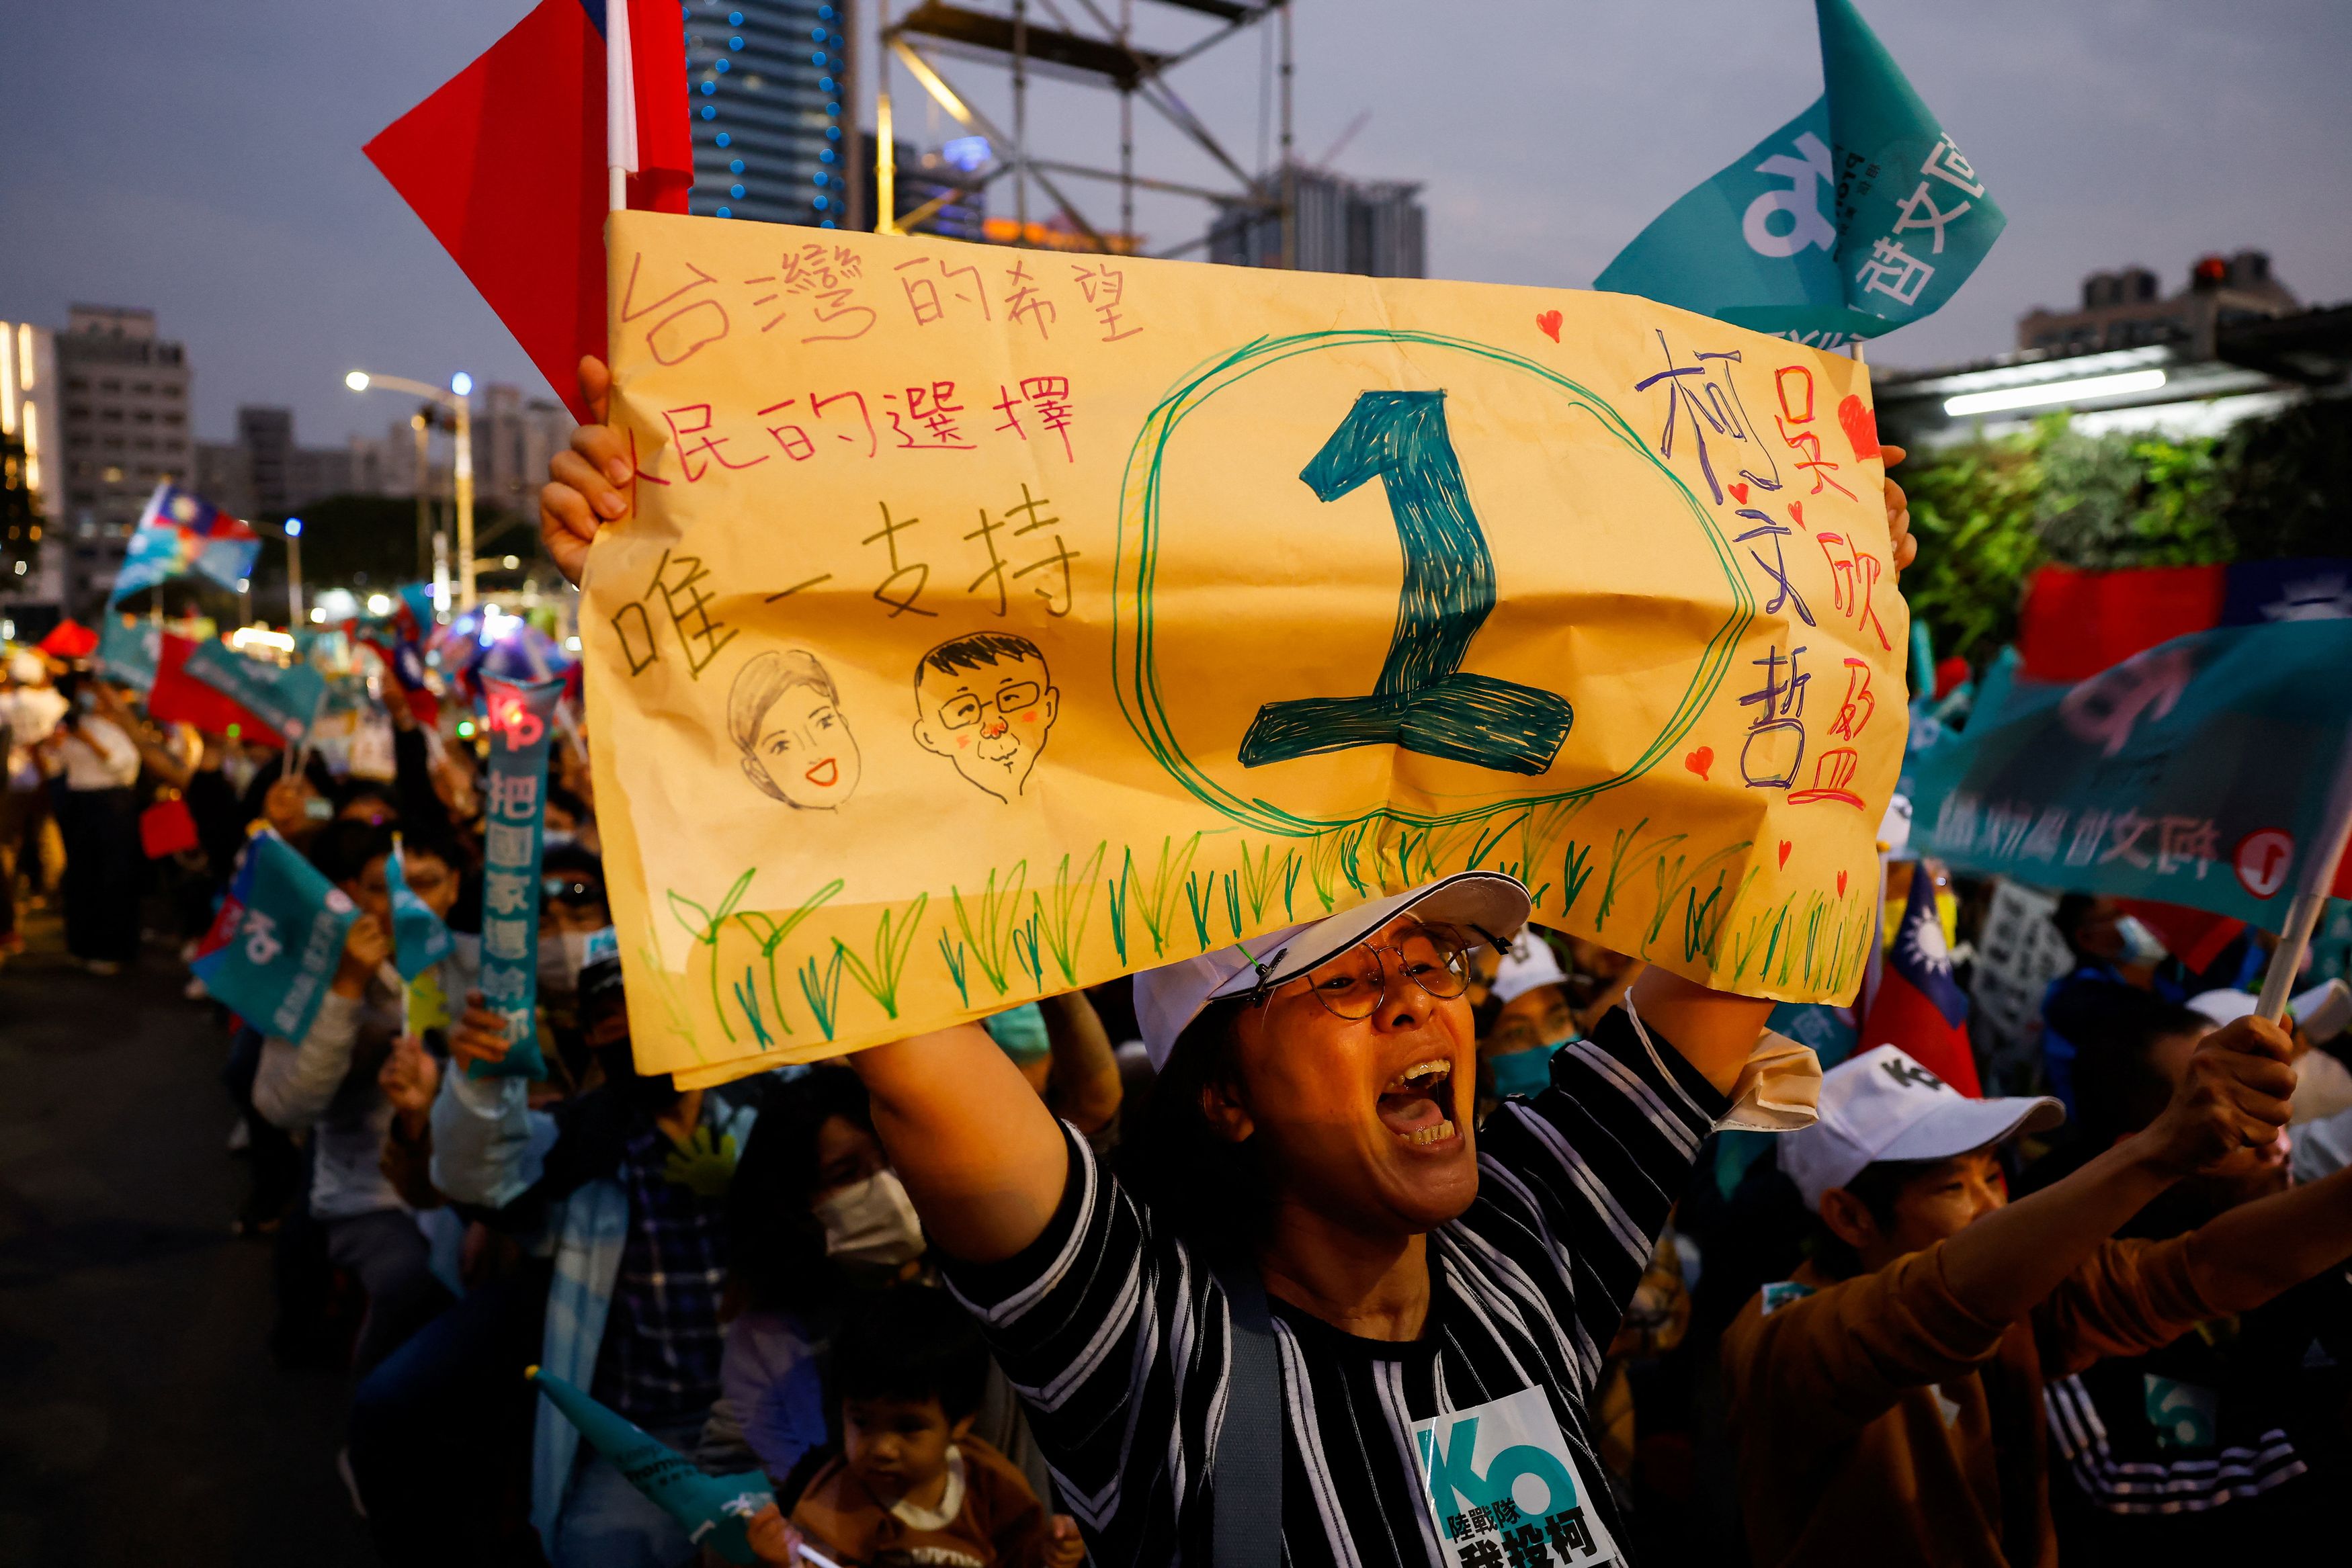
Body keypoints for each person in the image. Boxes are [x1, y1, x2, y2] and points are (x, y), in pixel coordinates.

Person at [540, 351, 1917, 1565]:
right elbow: (902, 1046)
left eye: (1433, 956)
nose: (1421, 997)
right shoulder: (1153, 1344)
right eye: (1341, 979)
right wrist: (675, 575)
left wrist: (1836, 596)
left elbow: (1759, 912)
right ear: (1222, 1094)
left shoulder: (1533, 1241)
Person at [1722, 1029, 2352, 1568]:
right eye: (1952, 1186)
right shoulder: (1787, 1332)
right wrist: (2158, 1150)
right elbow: (1934, 1307)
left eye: (1993, 1173)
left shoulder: (2016, 1298)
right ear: (1851, 1217)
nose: (1992, 1205)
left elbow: (2198, 1271)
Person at [431, 955, 761, 1567]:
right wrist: (476, 1083)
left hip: (762, 1430)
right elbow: (478, 1177)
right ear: (589, 1040)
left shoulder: (763, 1118)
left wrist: (752, 1192)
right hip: (636, 1441)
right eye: (609, 1020)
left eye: (644, 1009)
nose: (630, 1030)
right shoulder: (580, 1142)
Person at [2019, 982, 2352, 1561]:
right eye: (2230, 1118)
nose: (2275, 1140)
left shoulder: (2306, 1243)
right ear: (2149, 1146)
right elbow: (2108, 1494)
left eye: (2268, 1103)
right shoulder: (2053, 1280)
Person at [251, 819, 464, 1374]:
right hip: (370, 1200)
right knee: (416, 1283)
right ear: (353, 895)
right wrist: (346, 989)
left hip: (467, 1191)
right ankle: (377, 1421)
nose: (405, 903)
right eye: (383, 887)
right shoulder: (318, 976)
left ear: (456, 888)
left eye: (424, 884)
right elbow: (286, 1108)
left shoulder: (475, 964)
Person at [762, 1284, 1084, 1568]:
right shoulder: (834, 1505)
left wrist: (1052, 1553)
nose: (882, 1449)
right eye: (861, 1422)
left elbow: (1021, 1556)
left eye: (908, 1427)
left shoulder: (991, 1484)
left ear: (961, 1422)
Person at [40, 670, 144, 971]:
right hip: (87, 805)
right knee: (86, 876)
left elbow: (126, 766)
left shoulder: (115, 727)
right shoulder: (73, 728)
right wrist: (56, 746)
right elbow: (54, 765)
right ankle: (87, 945)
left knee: (112, 877)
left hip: (113, 806)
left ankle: (111, 948)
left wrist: (89, 743)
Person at [0, 648, 69, 959]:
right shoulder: (57, 702)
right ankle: (53, 891)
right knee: (48, 834)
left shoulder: (10, 703)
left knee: (7, 844)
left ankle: (12, 894)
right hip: (51, 777)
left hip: (18, 779)